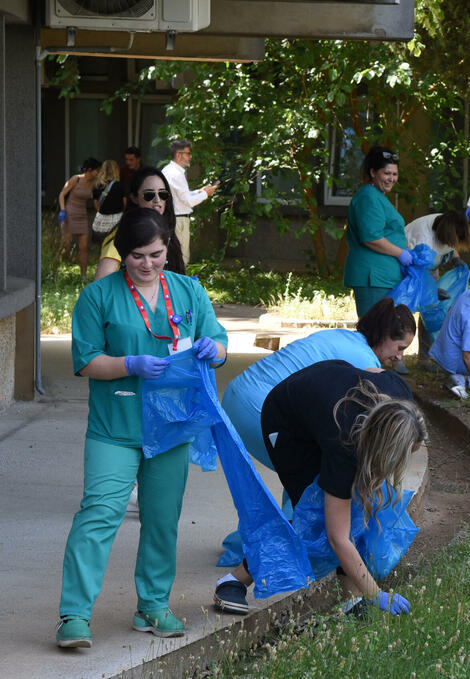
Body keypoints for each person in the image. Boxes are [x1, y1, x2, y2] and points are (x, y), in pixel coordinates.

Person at [56, 208, 228, 648]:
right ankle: (73, 616)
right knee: (98, 515)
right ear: (122, 253)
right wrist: (127, 364)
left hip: (171, 428)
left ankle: (152, 606)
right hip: (116, 426)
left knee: (161, 521)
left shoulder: (189, 291)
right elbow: (87, 361)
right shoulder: (98, 297)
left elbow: (220, 344)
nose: (147, 264)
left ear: (168, 248)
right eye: (136, 256)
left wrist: (215, 348)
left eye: (155, 253)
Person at [212, 360, 425, 618]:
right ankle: (234, 580)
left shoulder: (399, 397)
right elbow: (338, 538)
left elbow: (370, 372)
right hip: (286, 424)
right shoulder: (343, 447)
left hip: (321, 398)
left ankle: (349, 599)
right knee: (315, 524)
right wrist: (376, 593)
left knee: (358, 506)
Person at [221, 298, 417, 473]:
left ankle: (295, 515)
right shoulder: (364, 361)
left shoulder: (344, 336)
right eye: (400, 348)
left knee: (307, 475)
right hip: (255, 403)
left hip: (239, 394)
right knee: (315, 479)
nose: (400, 356)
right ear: (383, 334)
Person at [344, 145, 412, 319]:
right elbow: (371, 238)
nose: (391, 179)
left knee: (384, 332)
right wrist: (401, 253)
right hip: (373, 278)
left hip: (382, 276)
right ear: (373, 173)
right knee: (373, 332)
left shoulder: (377, 196)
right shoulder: (368, 197)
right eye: (386, 173)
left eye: (394, 174)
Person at [404, 210, 470, 368]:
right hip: (411, 267)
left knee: (432, 312)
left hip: (430, 264)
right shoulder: (424, 240)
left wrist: (456, 258)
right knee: (405, 311)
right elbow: (417, 271)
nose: (453, 245)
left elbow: (451, 243)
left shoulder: (450, 223)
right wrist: (431, 291)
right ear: (445, 236)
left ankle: (425, 358)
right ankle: (397, 358)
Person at [93, 166, 185, 282]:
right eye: (149, 195)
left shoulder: (167, 231)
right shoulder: (122, 236)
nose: (157, 200)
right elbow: (100, 286)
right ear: (134, 198)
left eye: (163, 194)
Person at [161, 139, 218, 265]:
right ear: (178, 155)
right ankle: (178, 284)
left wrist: (198, 191)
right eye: (188, 153)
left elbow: (181, 196)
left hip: (174, 218)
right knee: (181, 259)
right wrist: (205, 194)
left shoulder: (170, 170)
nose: (190, 156)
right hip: (178, 220)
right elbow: (187, 201)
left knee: (173, 258)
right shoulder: (175, 173)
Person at [57, 157, 100, 280]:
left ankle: (83, 276)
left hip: (82, 216)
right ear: (90, 170)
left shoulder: (94, 183)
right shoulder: (76, 179)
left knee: (84, 247)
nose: (98, 173)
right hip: (69, 214)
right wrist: (62, 210)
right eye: (97, 170)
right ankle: (57, 272)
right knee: (66, 246)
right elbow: (62, 194)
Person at [91, 160, 127, 237]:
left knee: (101, 246)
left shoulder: (97, 186)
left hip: (101, 223)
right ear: (116, 170)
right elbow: (125, 205)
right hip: (116, 221)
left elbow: (96, 206)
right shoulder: (120, 186)